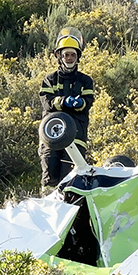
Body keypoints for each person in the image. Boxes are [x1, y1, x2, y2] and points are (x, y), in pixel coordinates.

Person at [38, 27, 95, 188]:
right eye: (66, 55)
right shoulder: (49, 80)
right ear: (59, 56)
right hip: (51, 137)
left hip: (76, 137)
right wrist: (63, 101)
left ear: (78, 57)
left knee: (70, 181)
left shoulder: (85, 81)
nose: (69, 58)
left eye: (72, 55)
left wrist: (79, 104)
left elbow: (87, 103)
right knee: (49, 180)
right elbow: (47, 103)